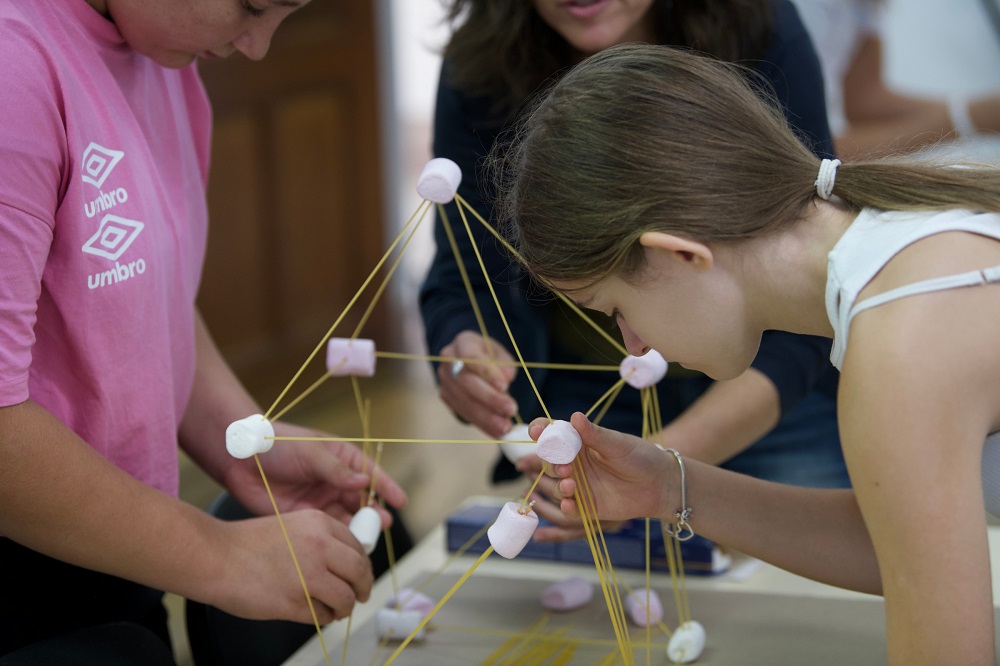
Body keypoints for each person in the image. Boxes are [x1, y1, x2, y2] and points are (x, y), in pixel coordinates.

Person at [499, 42, 1000, 664]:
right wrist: (667, 483)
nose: (633, 345)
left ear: (680, 254)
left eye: (615, 310)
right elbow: (903, 549)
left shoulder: (900, 337)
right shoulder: (898, 247)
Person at [0, 1, 408, 663]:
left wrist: (244, 440)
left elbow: (136, 301)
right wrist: (220, 555)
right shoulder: (14, 67)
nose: (258, 48)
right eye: (252, 7)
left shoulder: (162, 51)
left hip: (120, 551)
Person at [419, 0, 850, 518]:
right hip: (588, 400)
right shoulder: (480, 64)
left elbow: (797, 278)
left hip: (775, 394)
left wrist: (662, 470)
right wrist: (466, 341)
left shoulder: (760, 26)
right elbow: (464, 273)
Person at [791, 0, 1000, 159]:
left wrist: (974, 111)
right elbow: (810, 152)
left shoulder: (866, 7)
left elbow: (863, 98)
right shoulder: (796, 13)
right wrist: (965, 119)